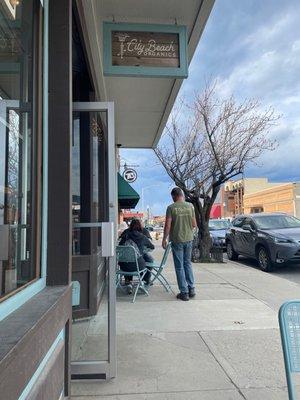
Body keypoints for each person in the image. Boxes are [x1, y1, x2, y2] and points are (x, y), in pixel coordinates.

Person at [162, 187, 197, 301]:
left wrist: (164, 239)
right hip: (189, 239)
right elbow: (194, 224)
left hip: (177, 240)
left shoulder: (171, 208)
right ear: (182, 195)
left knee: (179, 266)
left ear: (173, 196)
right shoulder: (190, 206)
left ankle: (184, 292)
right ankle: (191, 288)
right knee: (188, 264)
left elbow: (168, 225)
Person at [119, 219, 155, 293]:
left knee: (129, 260)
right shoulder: (142, 235)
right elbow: (152, 246)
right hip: (139, 264)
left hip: (124, 266)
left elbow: (119, 247)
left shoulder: (126, 234)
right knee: (148, 261)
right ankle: (145, 280)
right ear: (140, 226)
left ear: (130, 226)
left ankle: (128, 282)